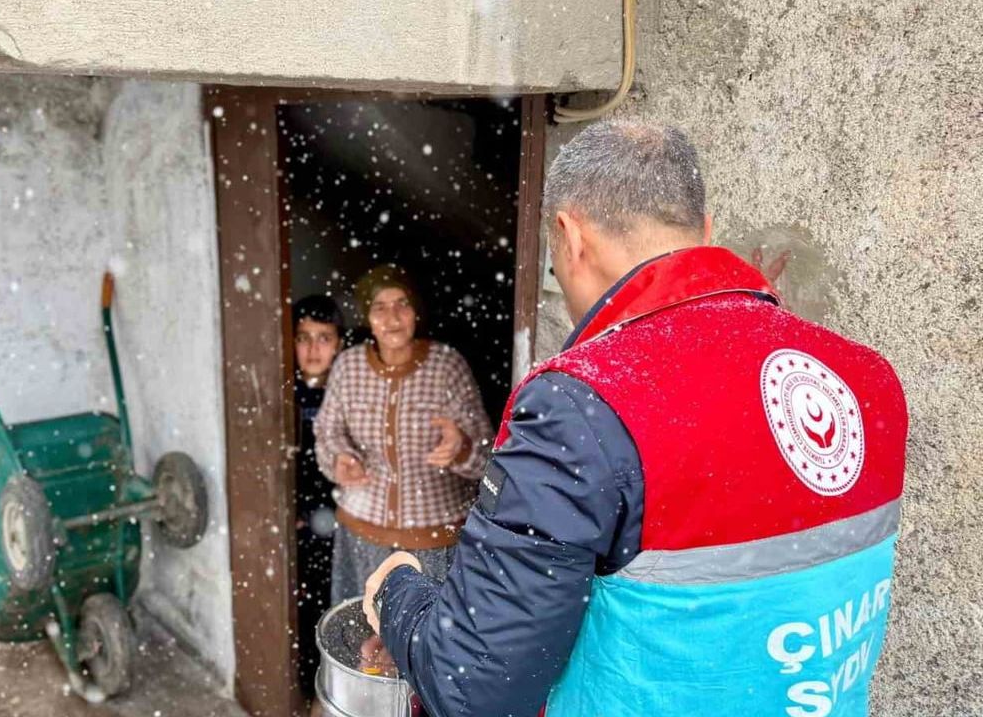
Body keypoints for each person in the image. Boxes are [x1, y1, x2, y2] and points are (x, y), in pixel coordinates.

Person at [363, 119, 907, 717]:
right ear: (703, 231)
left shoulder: (582, 405)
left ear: (570, 236)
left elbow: (473, 689)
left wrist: (396, 593)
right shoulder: (869, 379)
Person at [314, 264, 493, 606]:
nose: (392, 317)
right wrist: (339, 459)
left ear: (416, 312)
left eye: (402, 304)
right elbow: (327, 430)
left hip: (434, 543)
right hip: (362, 536)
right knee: (364, 629)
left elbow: (487, 458)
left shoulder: (446, 366)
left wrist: (460, 447)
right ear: (367, 317)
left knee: (429, 633)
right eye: (379, 307)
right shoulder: (348, 366)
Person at [290, 294, 344, 702]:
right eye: (303, 338)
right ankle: (308, 687)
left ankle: (331, 689)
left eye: (323, 338)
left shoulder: (349, 394)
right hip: (297, 522)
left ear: (339, 343)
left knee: (336, 605)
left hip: (340, 522)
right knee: (302, 604)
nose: (313, 349)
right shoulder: (285, 396)